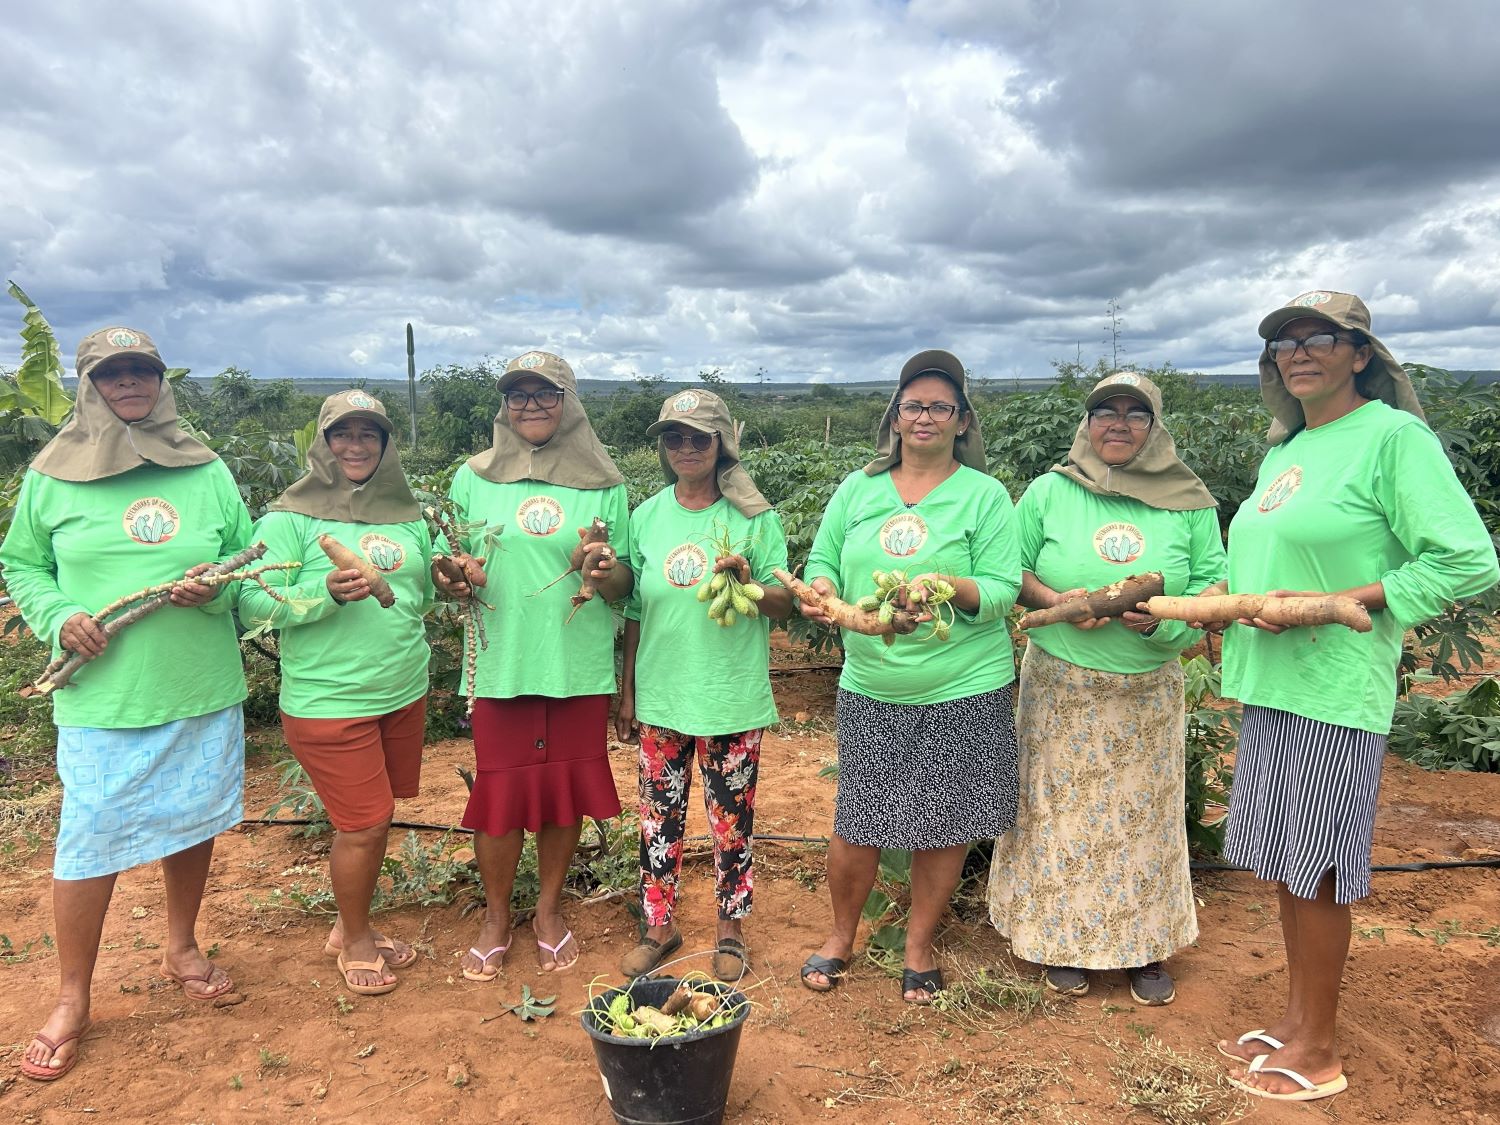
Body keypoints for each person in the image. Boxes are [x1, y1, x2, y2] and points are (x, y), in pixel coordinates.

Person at [1215, 291, 1497, 1102]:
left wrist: (1350, 600)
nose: (1297, 352)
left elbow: (1468, 560)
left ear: (1360, 353)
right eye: (1283, 344)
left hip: (1334, 688)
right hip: (1272, 684)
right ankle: (1299, 1022)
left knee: (1321, 872)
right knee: (1285, 865)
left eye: (1319, 339)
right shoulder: (1289, 449)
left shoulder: (1393, 438)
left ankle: (1322, 1051)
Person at [0, 327, 251, 1080]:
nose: (131, 383)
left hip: (199, 685)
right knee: (88, 842)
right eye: (114, 375)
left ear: (160, 380)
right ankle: (74, 995)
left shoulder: (206, 468)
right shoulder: (53, 475)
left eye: (143, 370)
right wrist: (56, 616)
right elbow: (21, 561)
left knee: (193, 818)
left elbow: (245, 556)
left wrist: (217, 586)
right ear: (90, 386)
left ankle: (181, 944)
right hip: (104, 694)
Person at [987, 372, 1226, 1005]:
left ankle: (1145, 948)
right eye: (1105, 411)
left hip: (1147, 687)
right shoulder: (1049, 491)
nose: (1118, 423)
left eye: (1135, 414)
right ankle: (1058, 941)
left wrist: (1168, 614)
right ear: (1087, 423)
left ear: (1155, 427)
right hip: (1060, 683)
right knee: (1057, 814)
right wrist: (1057, 600)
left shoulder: (1190, 501)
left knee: (1143, 819)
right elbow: (1011, 566)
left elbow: (1213, 582)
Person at [793, 349, 1021, 1003]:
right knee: (858, 817)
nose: (924, 415)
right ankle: (842, 936)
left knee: (945, 821)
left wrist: (949, 583)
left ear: (962, 421)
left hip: (964, 684)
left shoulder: (985, 495)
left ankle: (918, 944)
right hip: (872, 683)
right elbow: (823, 557)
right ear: (894, 415)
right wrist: (823, 589)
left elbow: (1004, 589)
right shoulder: (857, 488)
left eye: (939, 406)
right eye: (913, 404)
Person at [433, 350, 631, 978]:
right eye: (519, 396)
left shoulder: (607, 484)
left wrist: (603, 569)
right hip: (502, 660)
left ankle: (547, 910)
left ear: (569, 404)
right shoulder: (474, 477)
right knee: (501, 792)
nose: (531, 407)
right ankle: (496, 914)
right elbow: (446, 567)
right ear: (504, 406)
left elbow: (627, 582)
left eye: (545, 395)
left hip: (575, 660)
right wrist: (454, 578)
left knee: (560, 795)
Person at [237, 391, 433, 997]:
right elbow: (250, 602)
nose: (355, 445)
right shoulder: (289, 518)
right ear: (322, 443)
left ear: (385, 444)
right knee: (366, 824)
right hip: (328, 701)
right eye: (341, 434)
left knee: (374, 817)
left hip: (401, 688)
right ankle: (353, 939)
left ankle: (353, 927)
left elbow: (421, 596)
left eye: (368, 435)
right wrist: (325, 594)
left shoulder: (407, 515)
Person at [614, 390, 793, 982]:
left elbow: (785, 602)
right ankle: (659, 925)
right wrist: (628, 689)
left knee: (730, 820)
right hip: (662, 694)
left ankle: (730, 928)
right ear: (663, 448)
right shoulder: (646, 516)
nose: (685, 448)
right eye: (674, 438)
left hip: (728, 695)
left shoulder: (754, 517)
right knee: (657, 817)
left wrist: (749, 584)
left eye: (699, 437)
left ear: (722, 444)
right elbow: (636, 609)